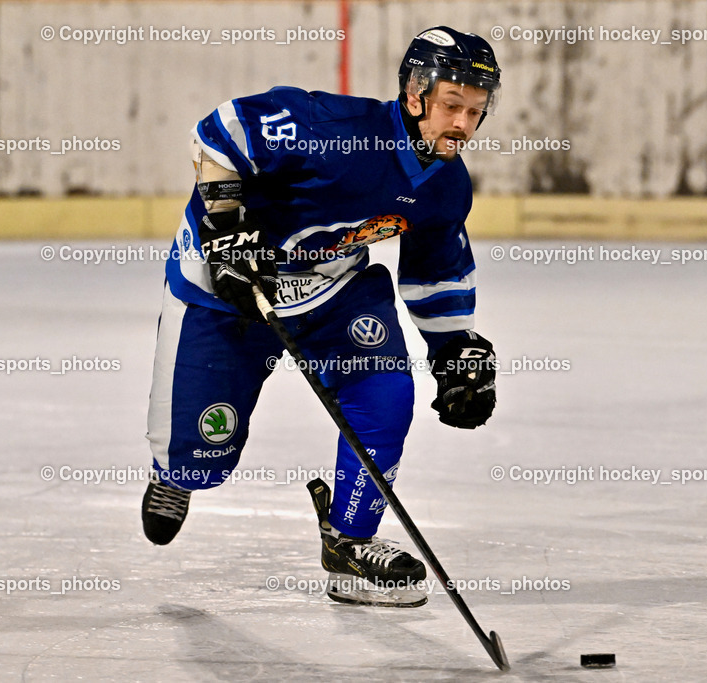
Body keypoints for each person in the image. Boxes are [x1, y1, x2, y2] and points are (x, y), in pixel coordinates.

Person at [143, 26, 501, 606]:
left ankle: (350, 542)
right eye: (451, 106)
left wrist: (454, 348)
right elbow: (222, 131)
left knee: (386, 395)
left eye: (475, 111)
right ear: (415, 96)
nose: (462, 124)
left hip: (332, 289)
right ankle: (176, 473)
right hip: (229, 287)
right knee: (201, 455)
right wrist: (226, 229)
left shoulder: (445, 184)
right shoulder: (332, 129)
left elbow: (434, 270)